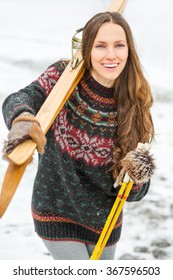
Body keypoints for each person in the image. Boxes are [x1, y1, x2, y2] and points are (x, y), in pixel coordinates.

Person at [2, 11, 155, 260]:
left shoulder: (135, 101)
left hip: (105, 225)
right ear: (87, 49)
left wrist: (137, 175)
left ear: (129, 50)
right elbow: (19, 98)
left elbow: (135, 193)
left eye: (119, 45)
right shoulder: (65, 77)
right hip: (55, 212)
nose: (111, 55)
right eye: (100, 46)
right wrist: (23, 120)